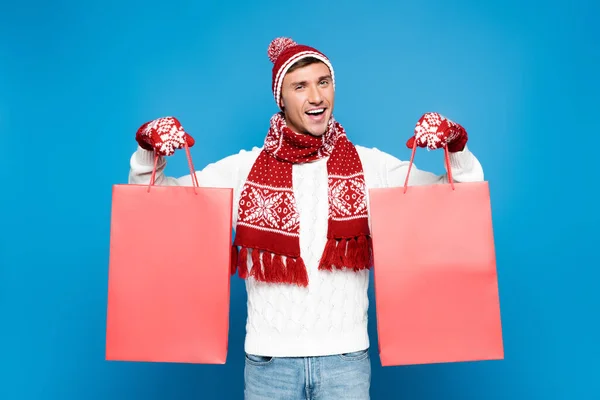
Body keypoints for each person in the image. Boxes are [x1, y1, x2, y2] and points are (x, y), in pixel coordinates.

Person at [128, 37, 484, 400]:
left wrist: (456, 147)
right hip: (269, 365)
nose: (316, 97)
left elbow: (460, 194)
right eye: (300, 86)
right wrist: (147, 152)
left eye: (323, 82)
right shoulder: (243, 169)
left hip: (346, 362)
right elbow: (154, 200)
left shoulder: (370, 165)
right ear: (281, 98)